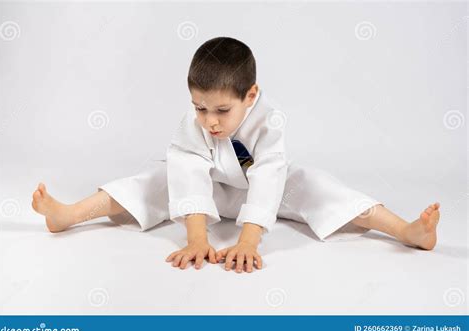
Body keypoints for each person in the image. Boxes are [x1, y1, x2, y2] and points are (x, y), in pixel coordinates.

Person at [32, 37, 441, 273]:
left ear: (251, 95)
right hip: (212, 188)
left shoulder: (270, 121)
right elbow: (189, 169)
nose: (209, 121)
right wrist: (197, 237)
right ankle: (70, 214)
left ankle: (407, 231)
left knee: (317, 185)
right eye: (199, 107)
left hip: (265, 193)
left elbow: (266, 177)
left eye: (222, 111)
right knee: (155, 178)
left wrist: (249, 240)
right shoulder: (194, 124)